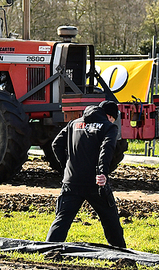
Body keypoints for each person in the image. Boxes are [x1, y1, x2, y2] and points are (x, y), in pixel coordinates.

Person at [45, 100, 126, 248]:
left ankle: (48, 249)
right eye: (114, 118)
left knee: (62, 220)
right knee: (110, 220)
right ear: (109, 116)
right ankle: (121, 252)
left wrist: (67, 167)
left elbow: (56, 144)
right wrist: (102, 173)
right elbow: (106, 150)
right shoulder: (109, 127)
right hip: (95, 183)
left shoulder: (74, 124)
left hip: (71, 181)